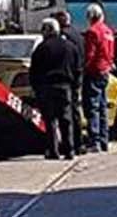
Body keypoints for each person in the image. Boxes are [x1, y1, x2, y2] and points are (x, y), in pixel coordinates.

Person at [30, 18, 78, 160]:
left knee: (50, 120)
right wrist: (75, 86)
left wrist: (36, 88)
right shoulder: (70, 47)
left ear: (47, 30)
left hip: (46, 87)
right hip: (65, 86)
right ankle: (69, 150)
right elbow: (77, 68)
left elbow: (34, 71)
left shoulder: (41, 48)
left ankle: (53, 150)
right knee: (66, 119)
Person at [82, 2, 116, 153]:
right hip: (105, 71)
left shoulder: (92, 32)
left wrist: (84, 68)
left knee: (92, 107)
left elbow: (90, 53)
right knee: (102, 107)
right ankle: (104, 140)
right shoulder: (108, 31)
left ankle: (94, 141)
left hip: (94, 71)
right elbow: (111, 53)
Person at [53, 9, 86, 154]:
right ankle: (78, 144)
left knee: (64, 115)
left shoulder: (63, 37)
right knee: (75, 111)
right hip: (77, 76)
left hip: (66, 78)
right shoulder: (78, 35)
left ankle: (68, 145)